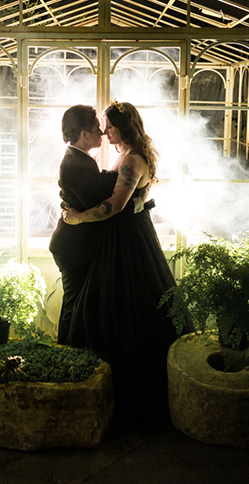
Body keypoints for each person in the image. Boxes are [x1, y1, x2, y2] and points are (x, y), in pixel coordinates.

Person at [62, 101, 182, 417]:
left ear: (123, 128)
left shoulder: (132, 161)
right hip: (122, 235)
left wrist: (77, 219)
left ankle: (135, 394)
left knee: (132, 309)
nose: (106, 132)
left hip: (128, 240)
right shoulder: (124, 157)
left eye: (111, 127)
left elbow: (114, 206)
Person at [49, 105, 122, 345]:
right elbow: (99, 197)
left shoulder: (79, 159)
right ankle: (66, 351)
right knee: (74, 302)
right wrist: (125, 166)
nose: (102, 134)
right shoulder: (76, 163)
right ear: (83, 135)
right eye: (97, 129)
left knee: (76, 300)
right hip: (73, 247)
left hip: (73, 243)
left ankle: (70, 350)